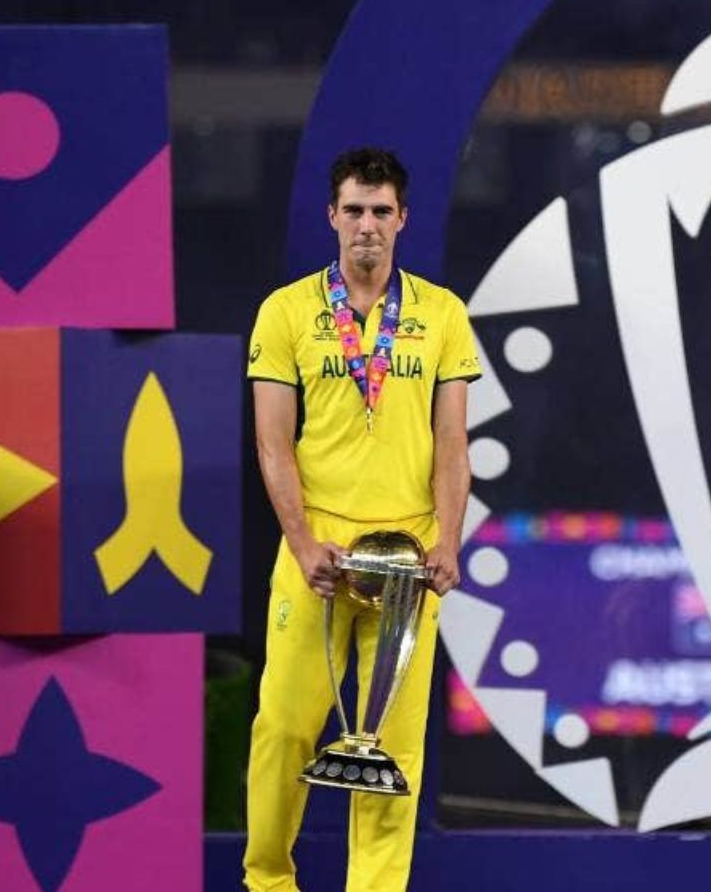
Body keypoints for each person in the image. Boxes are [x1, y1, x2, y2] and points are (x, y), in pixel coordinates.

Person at [243, 146, 480, 892]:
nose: (368, 226)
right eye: (354, 211)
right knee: (283, 728)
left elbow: (452, 443)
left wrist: (448, 540)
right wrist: (303, 541)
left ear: (403, 219)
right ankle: (267, 880)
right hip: (320, 554)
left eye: (381, 212)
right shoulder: (286, 312)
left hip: (408, 561)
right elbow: (272, 440)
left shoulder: (441, 314)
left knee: (391, 750)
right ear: (331, 217)